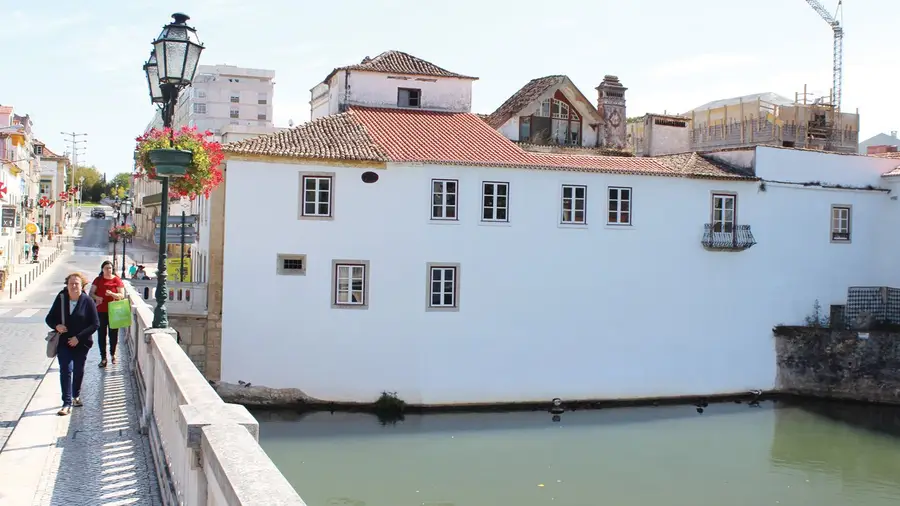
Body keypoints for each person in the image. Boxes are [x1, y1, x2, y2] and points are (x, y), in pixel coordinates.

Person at [45, 272, 99, 416]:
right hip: (64, 342)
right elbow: (49, 318)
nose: (74, 286)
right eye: (71, 284)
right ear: (67, 285)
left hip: (82, 343)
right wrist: (57, 326)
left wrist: (78, 338)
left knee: (78, 369)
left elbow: (95, 324)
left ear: (82, 286)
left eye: (77, 284)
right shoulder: (61, 298)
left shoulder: (87, 301)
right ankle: (66, 403)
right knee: (65, 369)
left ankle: (76, 395)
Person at [89, 261, 126, 368]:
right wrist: (97, 298)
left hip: (114, 310)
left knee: (113, 334)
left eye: (110, 268)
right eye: (106, 268)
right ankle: (103, 358)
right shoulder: (98, 279)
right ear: (102, 269)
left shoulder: (117, 280)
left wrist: (112, 294)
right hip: (100, 310)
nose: (108, 270)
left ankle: (113, 354)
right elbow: (91, 293)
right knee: (101, 334)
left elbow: (122, 295)